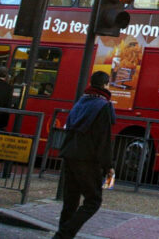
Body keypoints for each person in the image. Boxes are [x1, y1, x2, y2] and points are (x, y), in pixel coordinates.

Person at [53, 70, 115, 239]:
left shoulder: (81, 101)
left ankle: (63, 235)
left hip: (69, 153)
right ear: (104, 85)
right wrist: (108, 165)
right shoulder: (103, 106)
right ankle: (63, 235)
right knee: (93, 201)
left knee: (70, 200)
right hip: (87, 157)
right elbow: (103, 139)